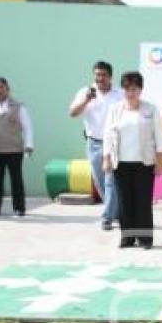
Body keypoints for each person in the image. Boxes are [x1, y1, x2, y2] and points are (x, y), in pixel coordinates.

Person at [102, 71, 162, 249]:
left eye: (135, 88)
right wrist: (106, 158)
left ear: (141, 89)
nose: (131, 92)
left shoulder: (150, 109)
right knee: (124, 201)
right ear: (123, 89)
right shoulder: (115, 109)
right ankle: (127, 237)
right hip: (120, 163)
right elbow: (107, 135)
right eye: (128, 88)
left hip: (144, 163)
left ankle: (145, 239)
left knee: (143, 201)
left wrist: (159, 160)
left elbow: (159, 136)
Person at [69, 60, 123, 230]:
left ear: (110, 76)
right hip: (94, 143)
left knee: (111, 181)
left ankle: (106, 218)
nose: (100, 78)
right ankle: (116, 212)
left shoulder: (119, 94)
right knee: (100, 182)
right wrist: (86, 100)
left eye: (103, 75)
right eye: (97, 75)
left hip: (114, 144)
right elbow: (72, 113)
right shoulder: (86, 92)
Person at [0, 77, 33, 217]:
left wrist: (28, 145)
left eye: (2, 87)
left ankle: (19, 208)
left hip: (14, 149)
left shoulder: (18, 105)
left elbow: (27, 127)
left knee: (16, 179)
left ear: (8, 88)